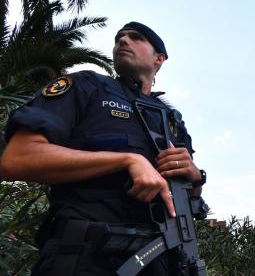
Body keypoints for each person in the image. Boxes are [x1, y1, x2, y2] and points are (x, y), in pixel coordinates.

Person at [0, 22, 205, 275]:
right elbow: (17, 158)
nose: (123, 41)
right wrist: (126, 160)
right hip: (84, 256)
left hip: (166, 261)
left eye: (136, 37)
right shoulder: (88, 86)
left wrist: (197, 177)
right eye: (119, 37)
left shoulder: (172, 119)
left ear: (159, 59)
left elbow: (190, 199)